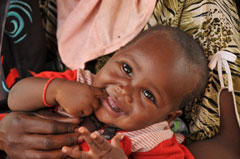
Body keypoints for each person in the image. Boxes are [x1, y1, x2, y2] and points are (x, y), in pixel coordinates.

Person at [8, 25, 208, 159]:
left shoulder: (152, 142)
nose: (125, 90)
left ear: (167, 117)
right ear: (114, 55)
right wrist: (56, 89)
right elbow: (15, 98)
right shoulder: (78, 82)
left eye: (148, 95)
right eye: (127, 69)